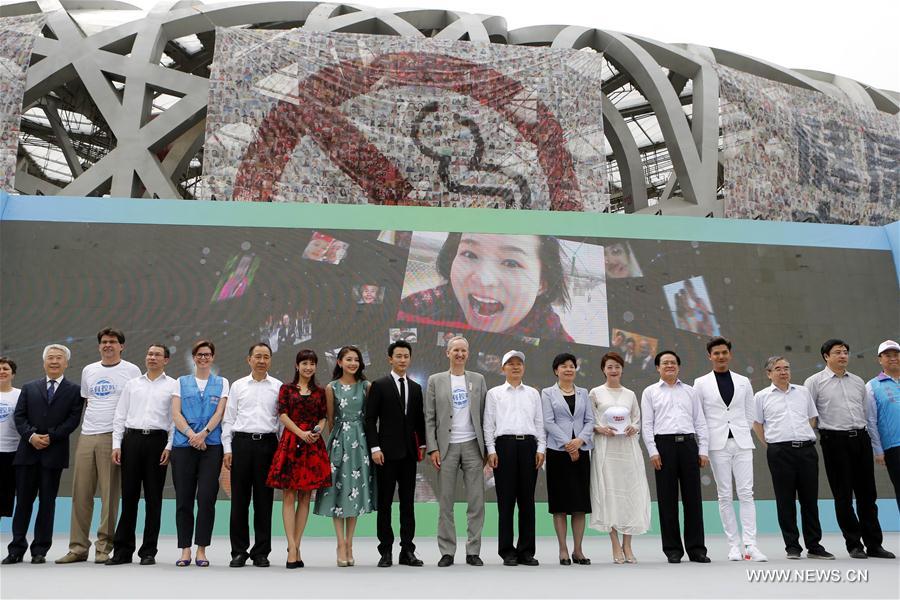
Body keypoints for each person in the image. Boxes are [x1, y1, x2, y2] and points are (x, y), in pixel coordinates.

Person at [57, 328, 141, 565]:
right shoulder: (89, 370)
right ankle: (78, 547)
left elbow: (134, 404)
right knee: (81, 494)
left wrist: (121, 439)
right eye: (104, 342)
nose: (108, 345)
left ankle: (104, 547)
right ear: (99, 346)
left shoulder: (131, 370)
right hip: (87, 435)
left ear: (121, 346)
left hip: (112, 436)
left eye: (113, 342)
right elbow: (87, 401)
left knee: (109, 495)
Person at [804, 339, 894, 559]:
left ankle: (874, 544)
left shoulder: (858, 381)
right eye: (838, 352)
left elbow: (865, 413)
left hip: (860, 438)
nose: (843, 355)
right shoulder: (814, 382)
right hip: (834, 441)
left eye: (845, 352)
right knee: (843, 495)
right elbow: (809, 415)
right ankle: (854, 544)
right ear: (826, 356)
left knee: (868, 494)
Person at [397, 233, 573, 341]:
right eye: (469, 254)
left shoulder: (555, 342)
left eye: (511, 263)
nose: (484, 279)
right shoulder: (414, 311)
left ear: (542, 283)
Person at [3, 345, 84, 565]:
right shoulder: (29, 388)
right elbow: (19, 417)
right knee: (23, 503)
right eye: (50, 358)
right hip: (27, 454)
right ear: (44, 362)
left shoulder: (75, 390)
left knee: (47, 503)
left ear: (66, 363)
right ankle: (16, 549)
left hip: (53, 454)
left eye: (59, 358)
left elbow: (73, 420)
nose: (54, 361)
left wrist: (51, 436)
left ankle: (40, 550)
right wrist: (31, 436)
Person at [693, 337, 766, 562]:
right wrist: (703, 446)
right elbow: (698, 417)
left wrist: (740, 430)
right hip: (716, 445)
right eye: (716, 353)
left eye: (724, 352)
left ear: (730, 354)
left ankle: (750, 545)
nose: (721, 356)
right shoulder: (700, 383)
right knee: (724, 495)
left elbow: (749, 412)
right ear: (710, 356)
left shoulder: (743, 381)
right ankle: (733, 545)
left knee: (746, 493)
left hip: (742, 442)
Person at [753, 356, 834, 560]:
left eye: (786, 368)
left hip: (806, 451)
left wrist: (800, 436)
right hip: (780, 452)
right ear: (769, 374)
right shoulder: (761, 396)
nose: (783, 372)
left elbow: (812, 418)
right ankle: (792, 546)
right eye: (778, 369)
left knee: (810, 500)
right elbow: (757, 424)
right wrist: (772, 445)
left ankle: (814, 546)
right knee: (785, 500)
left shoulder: (803, 392)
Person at [105, 344, 177, 566]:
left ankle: (148, 551)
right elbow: (120, 415)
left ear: (166, 360)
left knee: (154, 499)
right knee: (129, 497)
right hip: (132, 441)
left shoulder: (173, 385)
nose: (152, 357)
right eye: (149, 354)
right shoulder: (132, 384)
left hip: (158, 442)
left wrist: (169, 446)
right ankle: (122, 551)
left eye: (157, 355)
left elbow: (174, 420)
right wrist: (117, 445)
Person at [641, 350, 710, 563]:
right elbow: (647, 425)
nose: (669, 366)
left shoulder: (690, 391)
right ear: (658, 368)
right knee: (667, 500)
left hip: (688, 445)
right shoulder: (650, 392)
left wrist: (703, 450)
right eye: (665, 363)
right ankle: (672, 550)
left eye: (673, 362)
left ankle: (697, 549)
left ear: (678, 367)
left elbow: (700, 422)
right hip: (664, 447)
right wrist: (653, 451)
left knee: (693, 500)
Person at [425, 336, 488, 567]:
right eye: (455, 350)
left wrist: (487, 449)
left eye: (463, 350)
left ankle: (473, 551)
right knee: (445, 502)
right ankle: (447, 552)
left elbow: (486, 415)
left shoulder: (478, 379)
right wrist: (433, 447)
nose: (460, 354)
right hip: (446, 447)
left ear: (468, 354)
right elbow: (429, 417)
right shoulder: (435, 380)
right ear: (447, 353)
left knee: (476, 501)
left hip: (473, 446)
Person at [365, 340, 426, 567]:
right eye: (398, 356)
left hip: (409, 455)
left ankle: (407, 550)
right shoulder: (379, 385)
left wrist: (422, 445)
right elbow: (370, 419)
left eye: (406, 356)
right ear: (390, 359)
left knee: (408, 504)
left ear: (410, 359)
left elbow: (419, 420)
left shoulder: (416, 388)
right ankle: (386, 551)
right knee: (385, 504)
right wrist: (375, 448)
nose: (402, 360)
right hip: (385, 455)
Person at [268, 349, 331, 568]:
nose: (308, 367)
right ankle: (292, 547)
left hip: (312, 446)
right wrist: (300, 433)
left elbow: (323, 417)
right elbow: (282, 415)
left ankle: (297, 545)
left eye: (312, 363)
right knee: (289, 495)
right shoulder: (286, 389)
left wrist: (316, 431)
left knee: (305, 497)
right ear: (297, 366)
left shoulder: (320, 392)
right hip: (291, 444)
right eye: (304, 363)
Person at [484, 350, 546, 566]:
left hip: (529, 446)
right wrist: (491, 450)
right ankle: (507, 551)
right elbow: (488, 424)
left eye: (519, 363)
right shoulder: (494, 393)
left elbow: (539, 423)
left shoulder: (533, 393)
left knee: (527, 501)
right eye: (510, 363)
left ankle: (526, 551)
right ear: (503, 368)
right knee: (506, 502)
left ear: (524, 368)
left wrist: (541, 448)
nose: (515, 366)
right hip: (504, 446)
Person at [222, 342, 282, 568]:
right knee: (239, 501)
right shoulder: (238, 386)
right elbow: (229, 419)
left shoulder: (278, 387)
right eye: (258, 356)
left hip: (268, 445)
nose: (262, 361)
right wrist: (228, 449)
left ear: (270, 360)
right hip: (242, 445)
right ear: (249, 360)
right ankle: (239, 551)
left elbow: (281, 423)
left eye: (266, 357)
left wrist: (280, 451)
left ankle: (261, 552)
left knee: (264, 502)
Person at [314, 346, 375, 566]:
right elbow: (331, 420)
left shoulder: (367, 386)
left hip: (361, 443)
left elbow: (370, 418)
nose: (353, 363)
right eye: (348, 359)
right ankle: (340, 544)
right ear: (339, 362)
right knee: (338, 492)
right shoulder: (331, 388)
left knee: (354, 492)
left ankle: (350, 543)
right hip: (339, 443)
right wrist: (337, 445)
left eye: (356, 360)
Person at [170, 340, 229, 567]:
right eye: (199, 354)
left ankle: (201, 549)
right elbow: (176, 413)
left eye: (207, 354)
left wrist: (203, 434)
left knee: (206, 498)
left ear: (212, 357)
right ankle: (185, 549)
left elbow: (219, 413)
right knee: (184, 498)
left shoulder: (222, 383)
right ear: (194, 358)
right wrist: (191, 435)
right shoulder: (180, 382)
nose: (203, 358)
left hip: (210, 446)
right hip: (184, 446)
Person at [588, 352, 650, 564]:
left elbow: (637, 420)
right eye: (609, 367)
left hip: (627, 450)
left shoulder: (630, 394)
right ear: (603, 370)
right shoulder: (595, 393)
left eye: (617, 366)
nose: (613, 370)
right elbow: (590, 421)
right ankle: (615, 544)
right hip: (606, 450)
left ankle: (628, 545)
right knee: (609, 495)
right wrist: (600, 429)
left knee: (630, 494)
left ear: (622, 369)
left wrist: (633, 427)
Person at [541, 352, 593, 566]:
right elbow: (548, 422)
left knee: (580, 504)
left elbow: (590, 420)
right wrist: (567, 444)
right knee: (560, 504)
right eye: (564, 366)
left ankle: (578, 550)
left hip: (581, 452)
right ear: (556, 370)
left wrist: (579, 441)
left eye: (572, 365)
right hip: (557, 453)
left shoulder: (583, 392)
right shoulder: (547, 393)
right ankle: (563, 550)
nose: (569, 369)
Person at [867, 340, 900, 510]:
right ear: (880, 359)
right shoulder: (872, 386)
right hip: (894, 447)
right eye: (888, 355)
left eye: (896, 354)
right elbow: (871, 420)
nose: (893, 358)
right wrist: (878, 450)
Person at [0, 357, 21, 520]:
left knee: (4, 498)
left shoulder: (20, 395)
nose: (2, 372)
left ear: (13, 374)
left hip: (13, 453)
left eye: (5, 369)